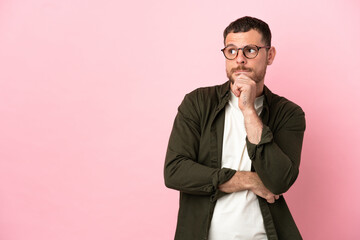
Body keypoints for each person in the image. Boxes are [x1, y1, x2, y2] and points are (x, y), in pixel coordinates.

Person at [164, 16, 306, 240]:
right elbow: (175, 172)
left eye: (250, 50)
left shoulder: (288, 113)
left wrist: (249, 111)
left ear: (269, 55)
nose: (239, 59)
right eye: (231, 51)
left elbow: (279, 181)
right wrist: (249, 180)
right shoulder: (198, 102)